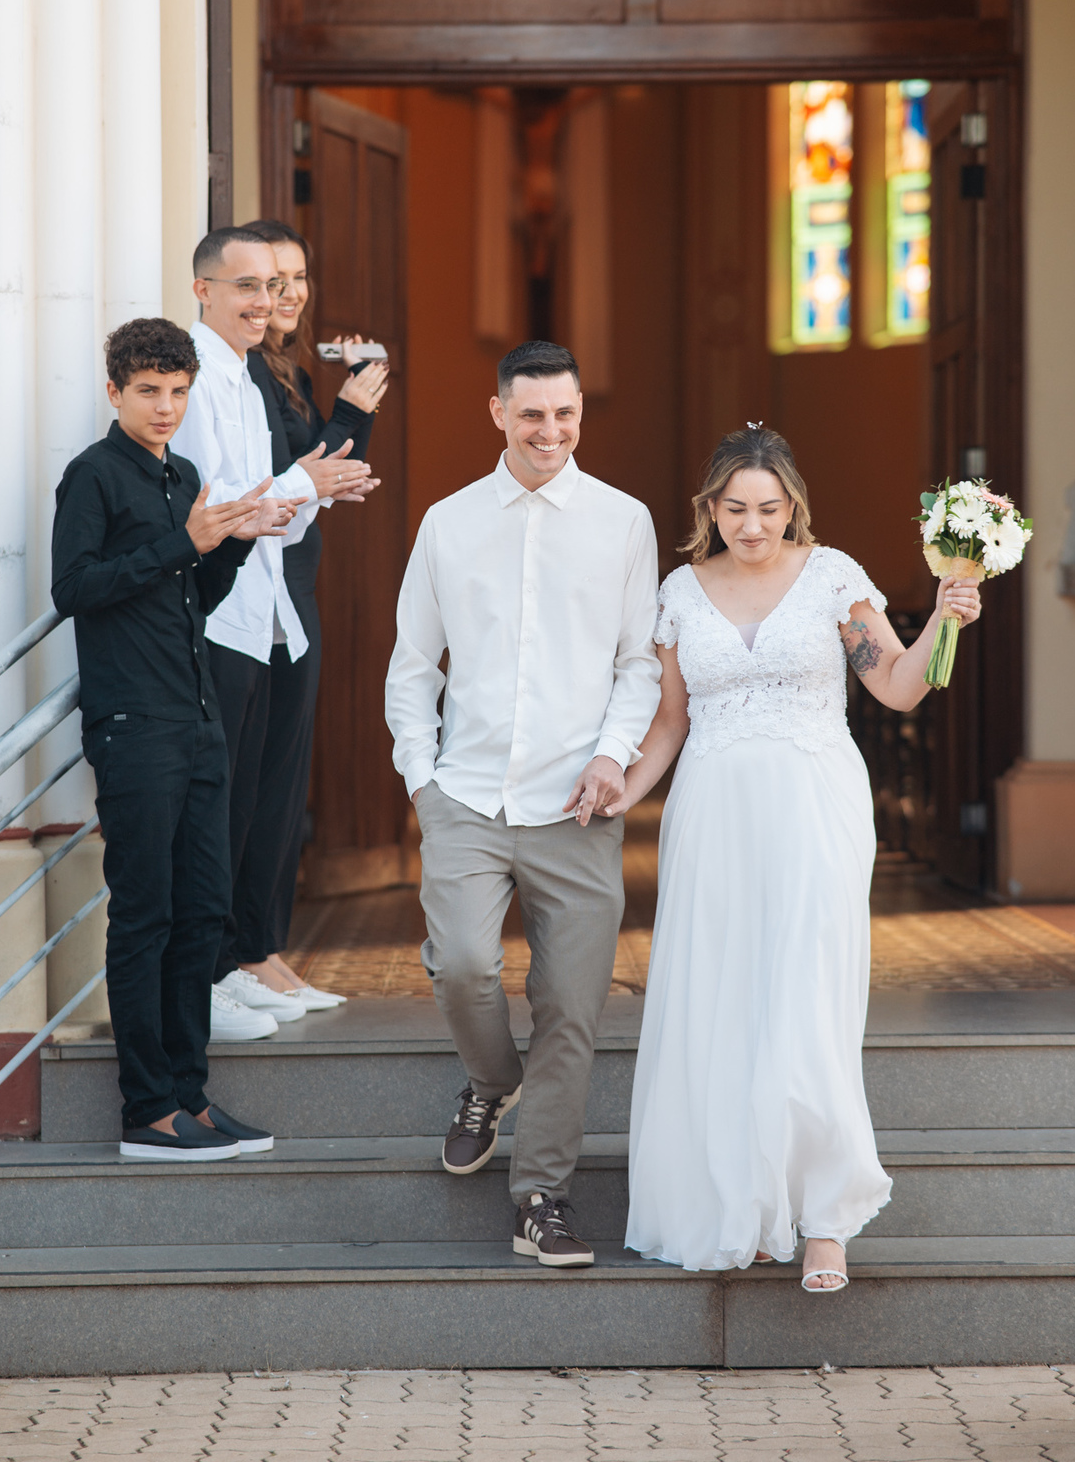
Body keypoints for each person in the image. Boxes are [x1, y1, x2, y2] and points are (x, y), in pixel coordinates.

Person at [613, 426, 982, 1287]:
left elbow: (896, 685)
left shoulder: (832, 578)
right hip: (711, 813)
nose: (752, 526)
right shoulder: (680, 591)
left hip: (815, 804)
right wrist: (618, 792)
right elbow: (669, 722)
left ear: (794, 508)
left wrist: (943, 619)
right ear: (710, 509)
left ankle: (824, 1219)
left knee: (807, 997)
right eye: (735, 509)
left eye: (769, 509)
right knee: (721, 998)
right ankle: (742, 1200)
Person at [385, 341, 661, 1267]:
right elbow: (413, 667)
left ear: (581, 413)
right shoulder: (448, 522)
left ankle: (541, 1196)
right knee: (463, 965)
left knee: (571, 1010)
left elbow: (638, 664)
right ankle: (490, 1080)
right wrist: (422, 782)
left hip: (577, 806)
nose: (550, 431)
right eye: (532, 413)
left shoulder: (624, 522)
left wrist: (613, 756)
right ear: (498, 412)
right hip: (465, 793)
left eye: (565, 413)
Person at [51, 318, 299, 1159]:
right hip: (134, 725)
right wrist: (180, 543)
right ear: (114, 391)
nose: (165, 406)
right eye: (149, 391)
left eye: (179, 392)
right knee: (146, 915)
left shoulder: (183, 476)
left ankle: (189, 1096)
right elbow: (75, 587)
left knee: (202, 912)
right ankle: (147, 1111)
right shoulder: (92, 475)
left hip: (196, 721)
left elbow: (194, 594)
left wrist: (232, 542)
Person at [169, 226, 376, 1039]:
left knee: (259, 794)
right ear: (204, 290)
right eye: (250, 285)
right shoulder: (196, 378)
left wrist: (314, 485)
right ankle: (212, 971)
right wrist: (304, 480)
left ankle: (241, 959)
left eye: (279, 283)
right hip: (221, 614)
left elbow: (278, 510)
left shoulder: (252, 376)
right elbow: (219, 506)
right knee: (219, 803)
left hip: (266, 608)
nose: (270, 300)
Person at [236, 217, 389, 1007]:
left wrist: (349, 415)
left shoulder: (287, 370)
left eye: (297, 277)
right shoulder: (242, 377)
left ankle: (266, 949)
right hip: (256, 600)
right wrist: (351, 413)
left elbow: (317, 481)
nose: (288, 293)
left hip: (291, 593)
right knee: (258, 782)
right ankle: (245, 954)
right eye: (272, 280)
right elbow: (281, 484)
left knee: (284, 781)